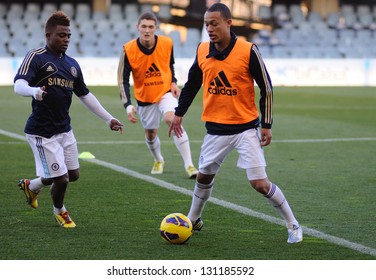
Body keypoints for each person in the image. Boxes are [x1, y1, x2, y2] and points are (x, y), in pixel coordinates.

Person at [169, 3, 303, 243]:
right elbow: (191, 84)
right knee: (203, 177)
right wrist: (179, 112)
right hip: (215, 130)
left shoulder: (248, 50)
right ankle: (193, 218)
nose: (209, 28)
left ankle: (293, 224)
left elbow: (267, 88)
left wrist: (267, 124)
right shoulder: (202, 50)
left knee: (259, 183)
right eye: (206, 24)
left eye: (214, 23)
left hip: (245, 128)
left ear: (228, 23)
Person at [14, 11, 123, 228]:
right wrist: (34, 92)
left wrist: (108, 119)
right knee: (61, 179)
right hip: (41, 132)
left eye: (68, 36)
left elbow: (85, 95)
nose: (66, 39)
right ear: (48, 35)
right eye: (61, 35)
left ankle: (32, 185)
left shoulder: (72, 64)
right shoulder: (36, 56)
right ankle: (59, 212)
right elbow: (18, 85)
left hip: (64, 130)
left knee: (72, 175)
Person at [117, 11, 198, 179]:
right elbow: (122, 80)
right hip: (144, 97)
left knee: (172, 120)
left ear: (156, 28)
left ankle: (189, 165)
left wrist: (173, 81)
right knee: (151, 133)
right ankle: (158, 159)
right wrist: (128, 105)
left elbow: (169, 65)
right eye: (144, 26)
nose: (147, 30)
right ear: (137, 27)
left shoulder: (167, 43)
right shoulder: (128, 49)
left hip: (165, 91)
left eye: (150, 27)